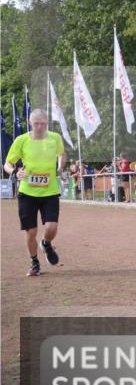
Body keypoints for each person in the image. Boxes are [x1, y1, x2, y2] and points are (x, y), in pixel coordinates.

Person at [3, 109, 65, 276]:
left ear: (47, 123)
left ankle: (46, 243)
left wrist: (60, 167)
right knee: (31, 231)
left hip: (50, 191)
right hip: (27, 193)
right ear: (30, 123)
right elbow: (7, 163)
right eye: (36, 123)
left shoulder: (55, 138)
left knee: (52, 227)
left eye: (43, 123)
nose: (39, 127)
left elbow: (62, 154)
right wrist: (15, 172)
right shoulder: (21, 140)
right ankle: (34, 262)